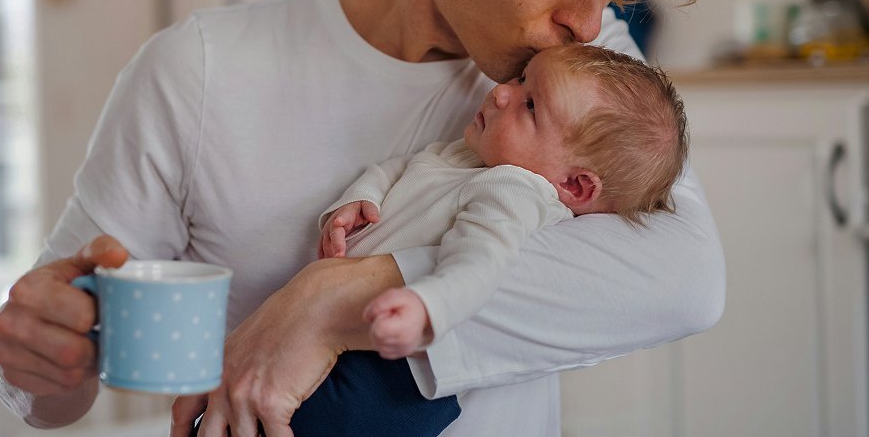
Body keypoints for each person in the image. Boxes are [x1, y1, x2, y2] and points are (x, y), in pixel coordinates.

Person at [0, 0, 723, 436]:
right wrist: (35, 360)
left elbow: (687, 279)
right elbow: (48, 379)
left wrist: (330, 302)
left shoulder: (580, 71)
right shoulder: (198, 72)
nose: (590, 19)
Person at [290, 44, 685, 435]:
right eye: (521, 77)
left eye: (531, 106)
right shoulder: (471, 154)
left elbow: (481, 264)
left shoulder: (513, 190)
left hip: (389, 374)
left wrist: (427, 306)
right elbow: (400, 169)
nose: (501, 91)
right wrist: (363, 198)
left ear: (575, 185)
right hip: (355, 339)